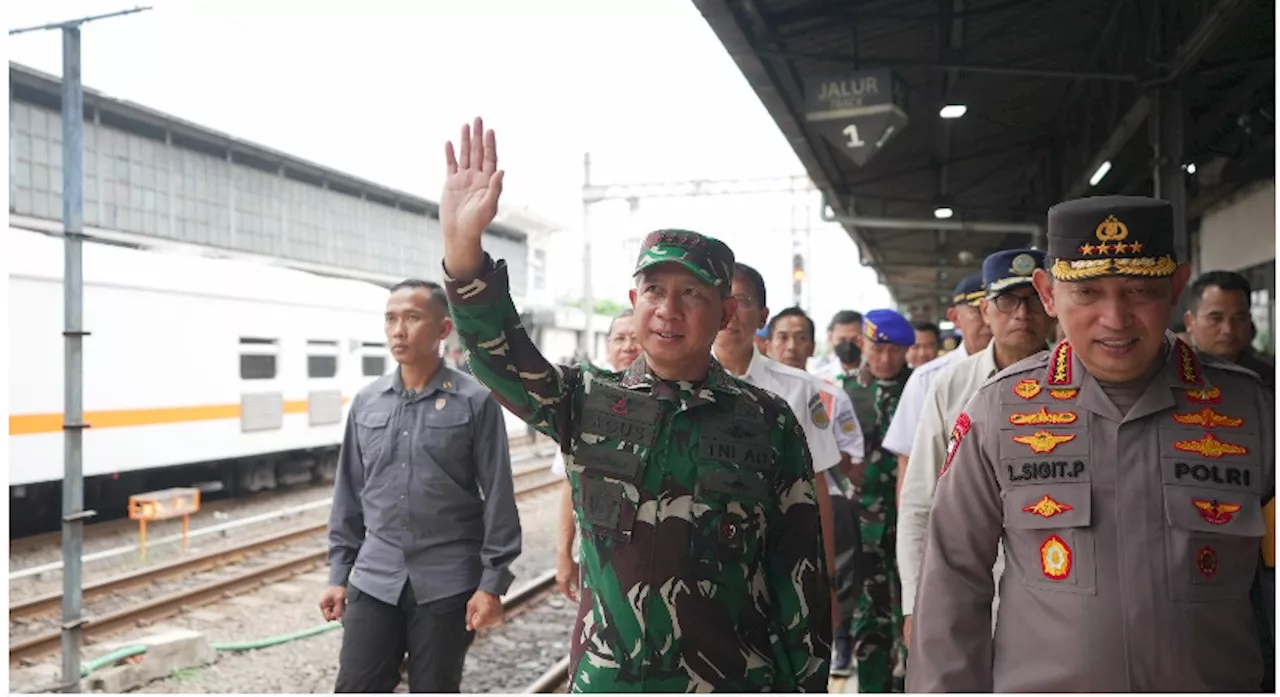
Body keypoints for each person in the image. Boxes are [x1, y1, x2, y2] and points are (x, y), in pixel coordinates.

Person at [437, 117, 832, 692]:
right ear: (633, 300)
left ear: (725, 314)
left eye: (691, 293)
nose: (668, 309)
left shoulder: (768, 422)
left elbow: (800, 575)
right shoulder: (584, 401)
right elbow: (498, 354)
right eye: (654, 291)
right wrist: (463, 246)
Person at [907, 195, 1276, 692]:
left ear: (1176, 289)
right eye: (1088, 293)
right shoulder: (1000, 410)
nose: (1115, 318)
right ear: (1049, 295)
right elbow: (953, 579)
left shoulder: (1250, 410)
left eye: (1140, 290)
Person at [322, 279, 522, 693]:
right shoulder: (367, 402)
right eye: (391, 319)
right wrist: (339, 574)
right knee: (356, 686)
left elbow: (499, 498)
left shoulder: (475, 402)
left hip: (447, 584)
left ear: (443, 329)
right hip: (374, 578)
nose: (399, 330)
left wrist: (491, 584)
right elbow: (348, 495)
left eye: (412, 318)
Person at [896, 250, 1055, 651]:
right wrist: (915, 602)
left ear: (1051, 303)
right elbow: (918, 502)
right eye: (1007, 301)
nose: (1022, 314)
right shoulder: (951, 387)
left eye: (1033, 299)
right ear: (985, 311)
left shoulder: (1081, 384)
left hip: (1058, 594)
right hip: (965, 592)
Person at [711, 262, 845, 629]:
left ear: (762, 317)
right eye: (720, 298)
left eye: (741, 301)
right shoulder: (676, 386)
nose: (729, 313)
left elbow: (818, 489)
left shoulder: (798, 389)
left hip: (777, 568)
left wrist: (826, 578)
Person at [767, 305, 868, 678]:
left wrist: (816, 456)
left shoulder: (828, 394)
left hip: (825, 495)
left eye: (800, 337)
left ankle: (838, 640)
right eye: (783, 336)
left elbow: (851, 453)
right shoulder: (749, 391)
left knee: (837, 569)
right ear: (769, 341)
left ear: (812, 345)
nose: (791, 345)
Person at [843, 308, 914, 693]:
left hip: (911, 518)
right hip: (862, 520)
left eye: (896, 351)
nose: (886, 359)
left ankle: (914, 682)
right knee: (868, 613)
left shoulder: (920, 387)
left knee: (913, 606)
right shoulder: (845, 390)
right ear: (863, 344)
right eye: (878, 349)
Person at [553, 310, 640, 601]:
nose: (628, 346)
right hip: (600, 557)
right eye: (619, 338)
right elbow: (569, 483)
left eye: (636, 338)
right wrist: (564, 553)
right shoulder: (588, 400)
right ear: (608, 346)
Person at [883, 273, 991, 503]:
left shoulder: (1034, 370)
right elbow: (908, 463)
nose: (988, 318)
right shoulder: (928, 378)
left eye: (996, 306)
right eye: (977, 310)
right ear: (954, 317)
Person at [1183, 270, 1274, 388]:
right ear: (1190, 322)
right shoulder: (1167, 379)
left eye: (1239, 318)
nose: (1228, 330)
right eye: (1215, 318)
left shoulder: (1269, 382)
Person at [812, 310, 864, 380]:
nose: (848, 346)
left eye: (855, 340)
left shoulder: (878, 375)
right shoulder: (819, 379)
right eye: (842, 340)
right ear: (830, 339)